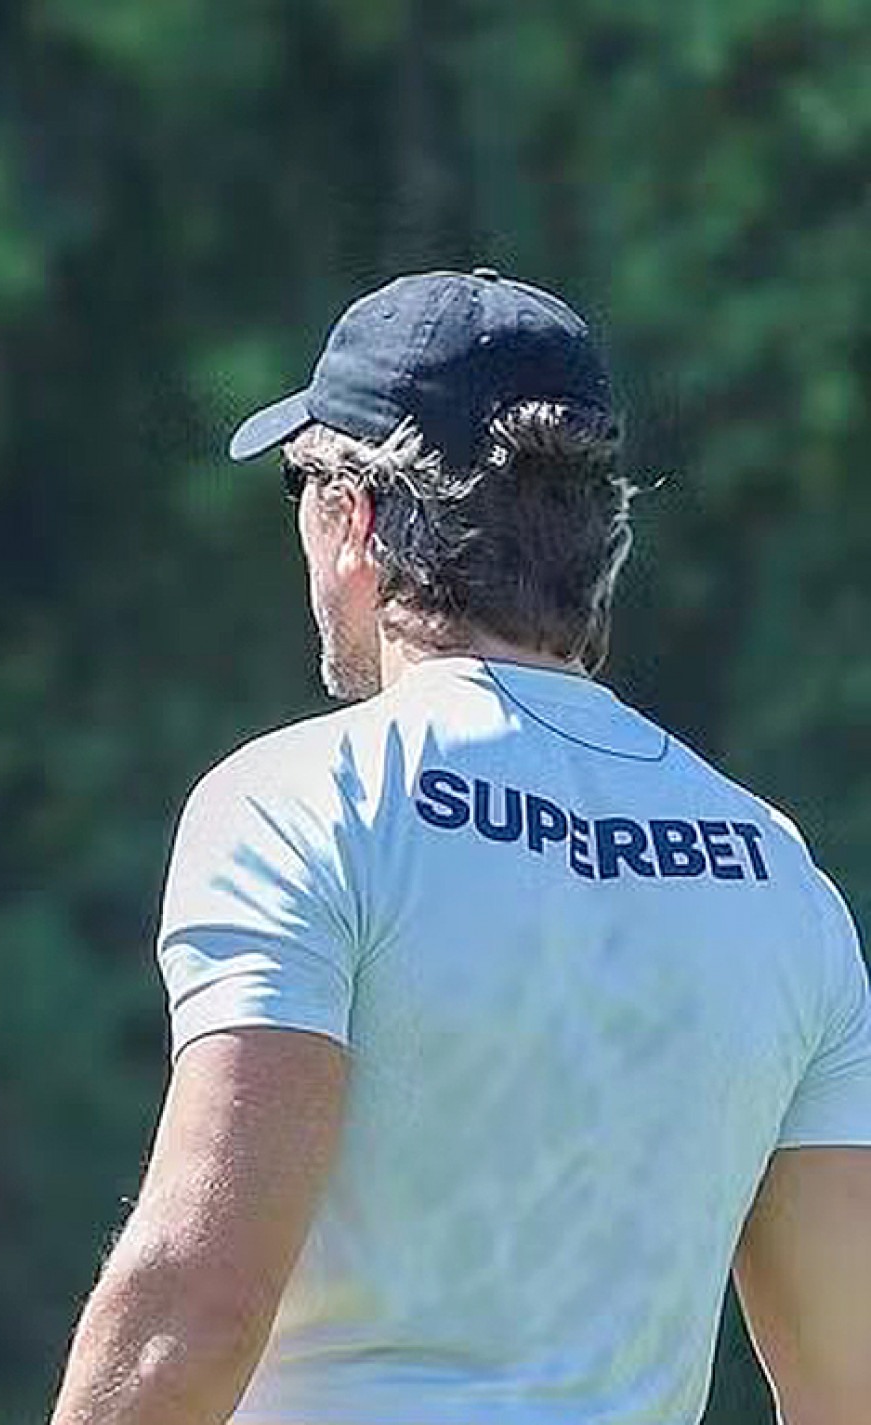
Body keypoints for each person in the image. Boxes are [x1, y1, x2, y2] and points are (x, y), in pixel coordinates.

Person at [46, 269, 871, 1424]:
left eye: (300, 488)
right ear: (603, 539)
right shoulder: (778, 873)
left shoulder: (305, 799)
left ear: (357, 519)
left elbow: (199, 1294)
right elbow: (849, 1387)